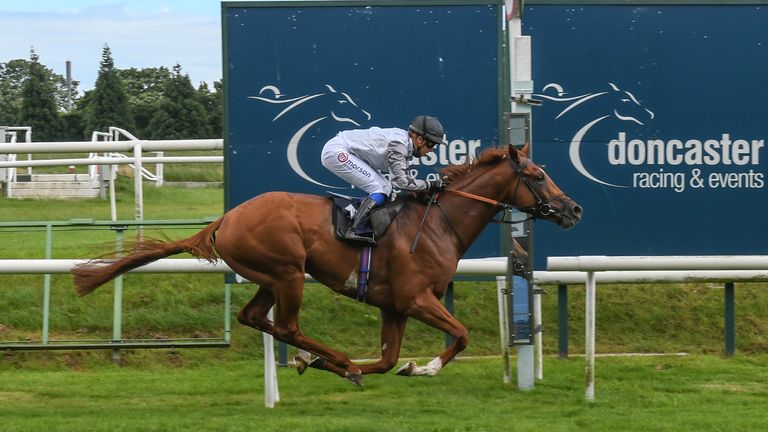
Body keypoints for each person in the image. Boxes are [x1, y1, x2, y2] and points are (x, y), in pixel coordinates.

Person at [321, 115, 448, 242]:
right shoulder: (399, 144)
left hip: (344, 150)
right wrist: (430, 184)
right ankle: (354, 229)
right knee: (380, 188)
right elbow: (402, 182)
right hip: (337, 151)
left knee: (386, 187)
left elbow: (404, 181)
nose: (431, 150)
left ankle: (360, 222)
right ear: (419, 139)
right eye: (432, 145)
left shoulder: (403, 145)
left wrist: (423, 192)